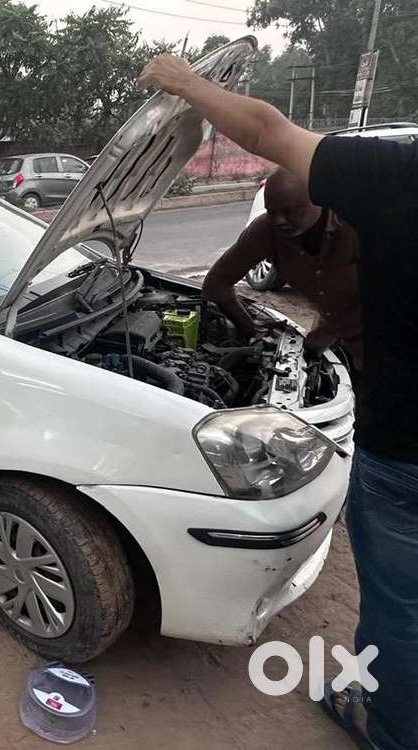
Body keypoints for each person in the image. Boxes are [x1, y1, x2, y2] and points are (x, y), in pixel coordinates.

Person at [140, 55, 418, 750]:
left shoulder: (388, 187)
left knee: (398, 601)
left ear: (328, 198)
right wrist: (249, 330)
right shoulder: (292, 222)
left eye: (297, 217)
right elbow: (218, 281)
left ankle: (388, 725)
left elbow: (266, 127)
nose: (290, 231)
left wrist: (187, 83)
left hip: (399, 432)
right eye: (280, 221)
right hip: (385, 414)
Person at [203, 168, 363, 372]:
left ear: (318, 200)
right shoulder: (267, 230)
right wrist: (248, 329)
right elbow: (216, 284)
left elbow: (395, 295)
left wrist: (331, 332)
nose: (278, 220)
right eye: (272, 212)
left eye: (289, 210)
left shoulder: (358, 226)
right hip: (330, 336)